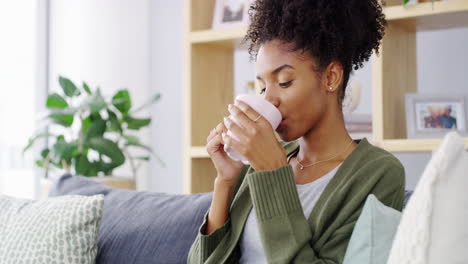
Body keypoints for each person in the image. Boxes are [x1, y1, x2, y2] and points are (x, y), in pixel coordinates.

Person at [188, 0, 405, 263]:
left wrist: (273, 173)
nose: (269, 101)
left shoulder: (378, 173)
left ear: (331, 78)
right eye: (263, 87)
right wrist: (225, 182)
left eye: (284, 82)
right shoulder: (261, 162)